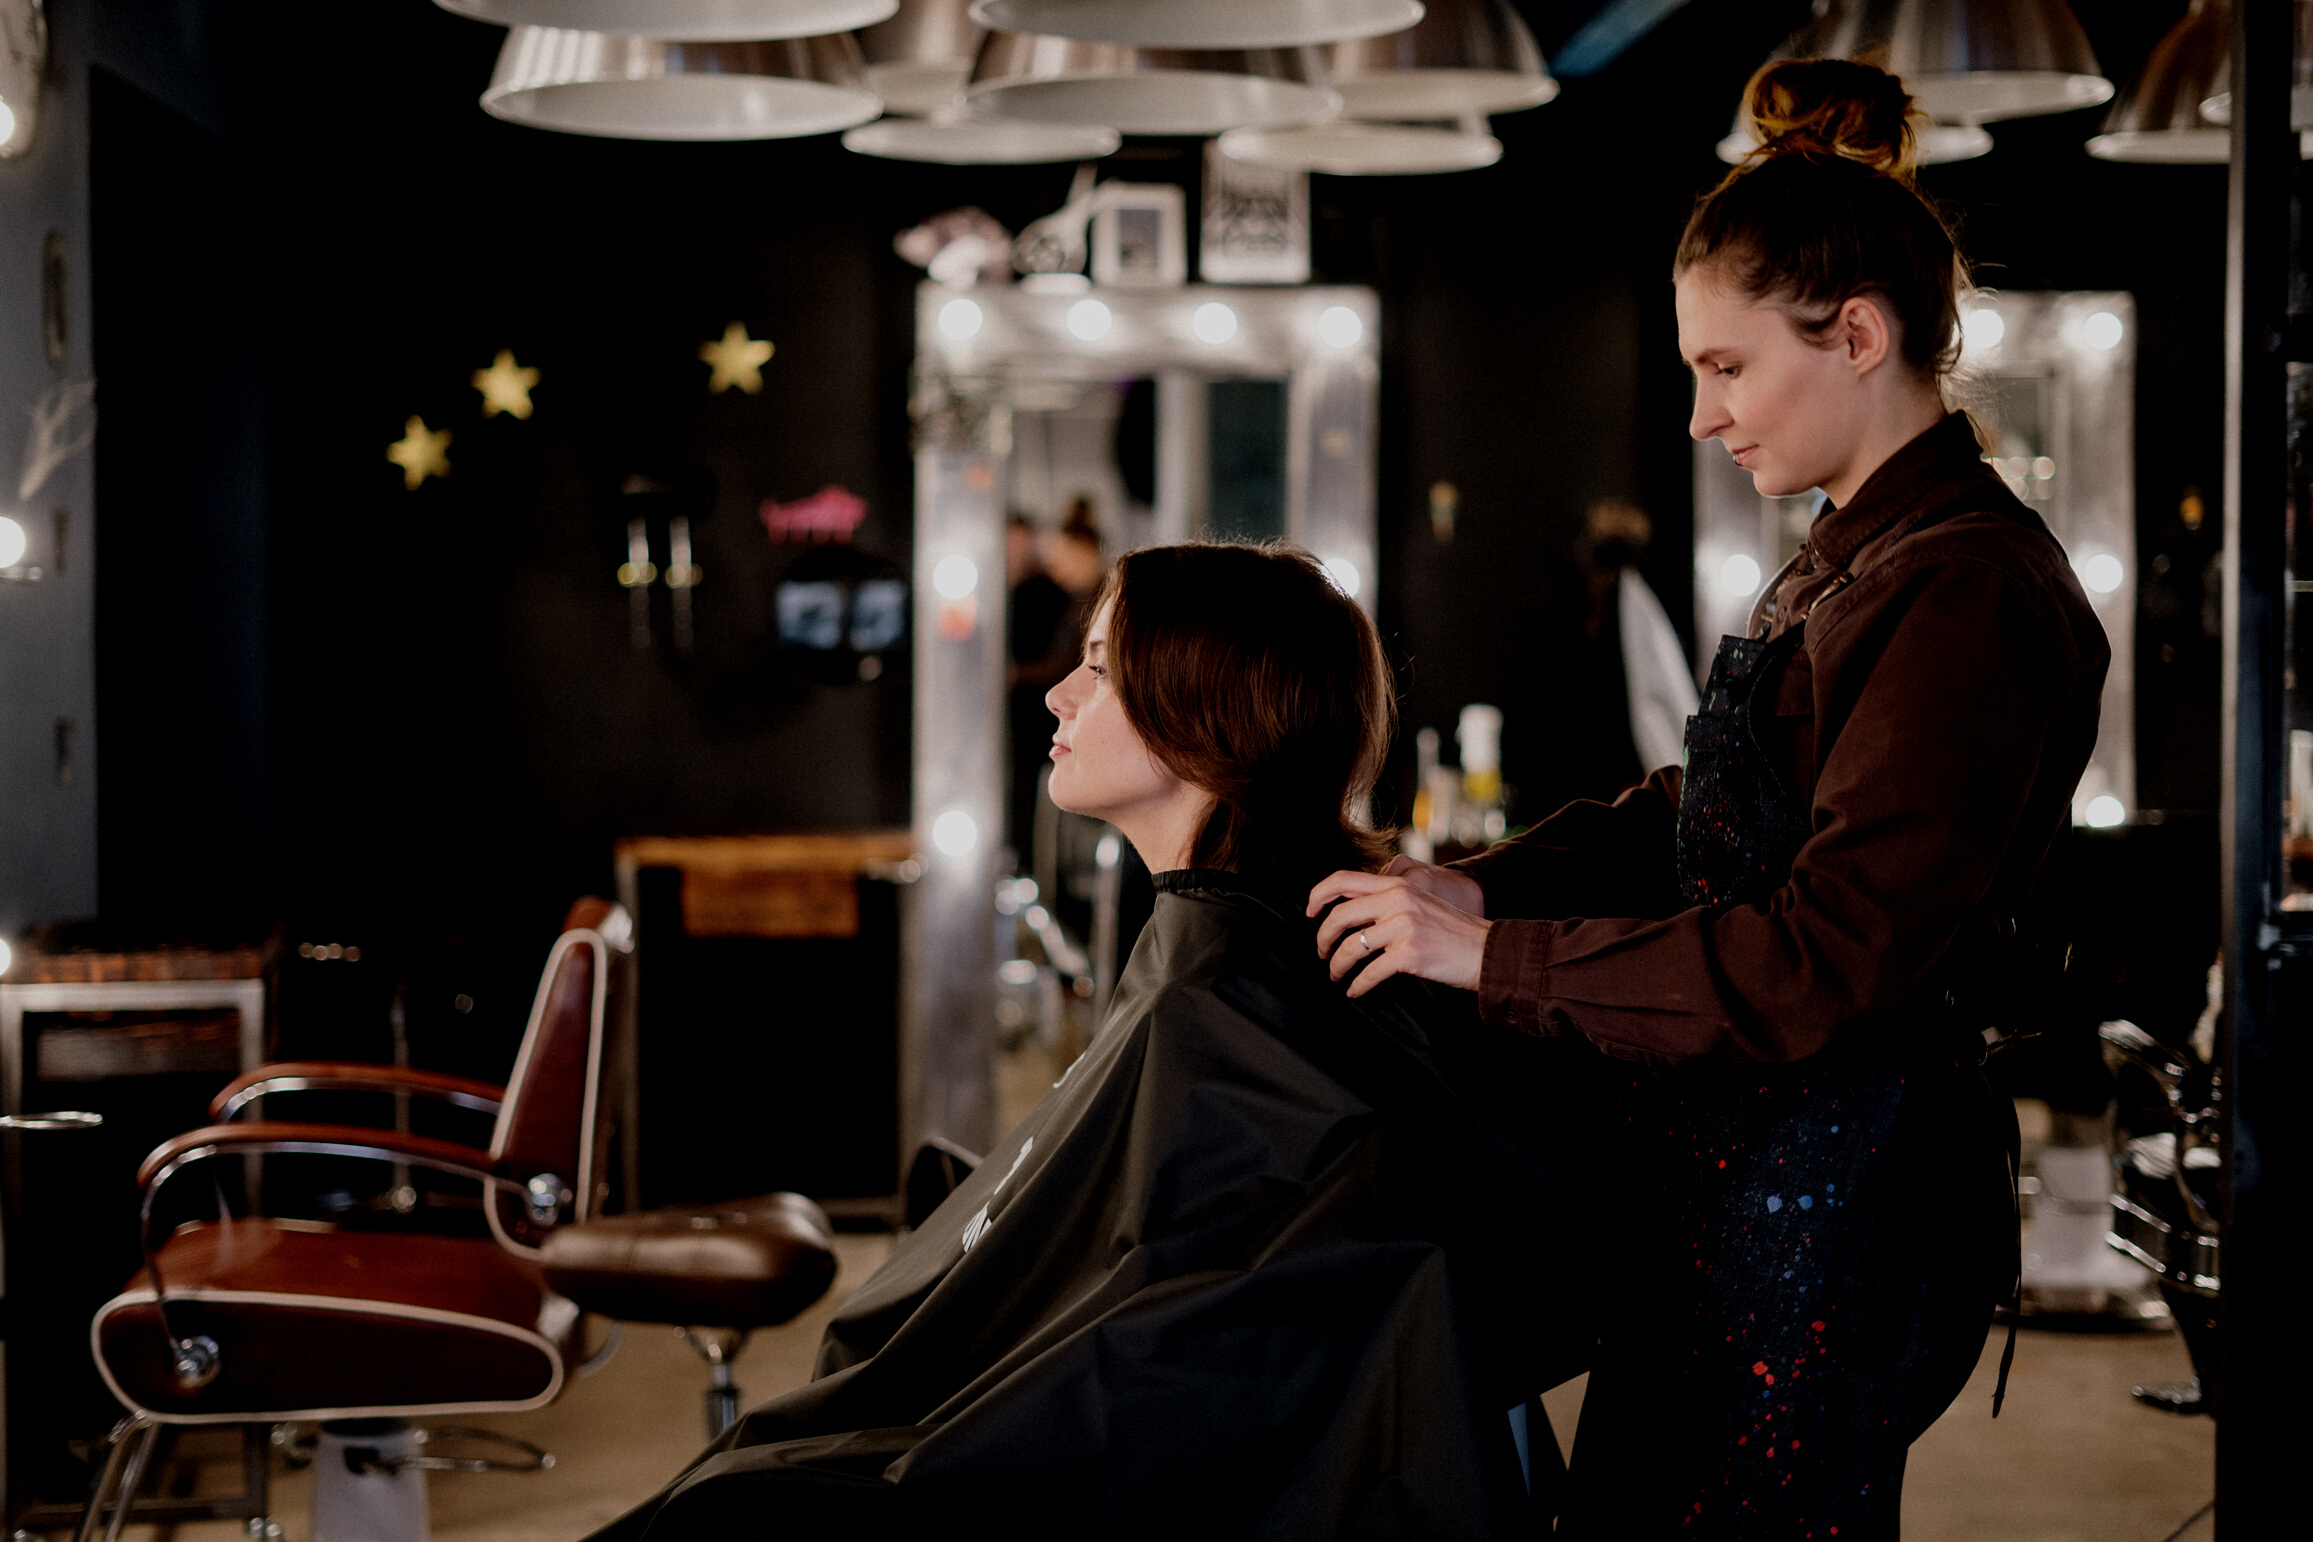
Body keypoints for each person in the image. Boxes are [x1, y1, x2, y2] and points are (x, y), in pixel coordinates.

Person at [1309, 59, 2109, 1538]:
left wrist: (1492, 960)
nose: (1698, 415)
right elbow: (1707, 804)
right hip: (1740, 1170)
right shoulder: (1852, 555)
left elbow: (1825, 955)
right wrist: (1481, 885)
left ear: (1857, 333)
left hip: (1836, 1197)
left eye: (1726, 368)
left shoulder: (1966, 592)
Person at [592, 543, 1596, 1540]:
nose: (1058, 696)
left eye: (1105, 667)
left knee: (730, 1507)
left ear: (1212, 714)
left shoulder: (1227, 990)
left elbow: (1160, 1368)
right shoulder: (1241, 957)